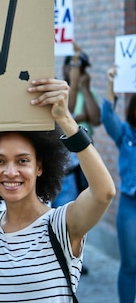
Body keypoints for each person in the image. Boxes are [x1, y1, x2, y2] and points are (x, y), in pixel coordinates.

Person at [0, 78, 115, 303]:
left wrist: (66, 121)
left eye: (22, 161)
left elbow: (103, 192)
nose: (10, 172)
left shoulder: (61, 225)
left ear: (40, 166)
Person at [101, 65, 136, 303]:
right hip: (129, 206)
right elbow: (106, 116)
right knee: (130, 265)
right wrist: (111, 83)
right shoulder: (125, 134)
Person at [55, 42, 100, 207]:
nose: (81, 72)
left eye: (83, 68)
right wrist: (79, 117)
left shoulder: (86, 91)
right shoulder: (61, 92)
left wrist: (86, 89)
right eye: (76, 67)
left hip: (81, 157)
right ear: (65, 68)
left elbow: (95, 118)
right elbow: (71, 115)